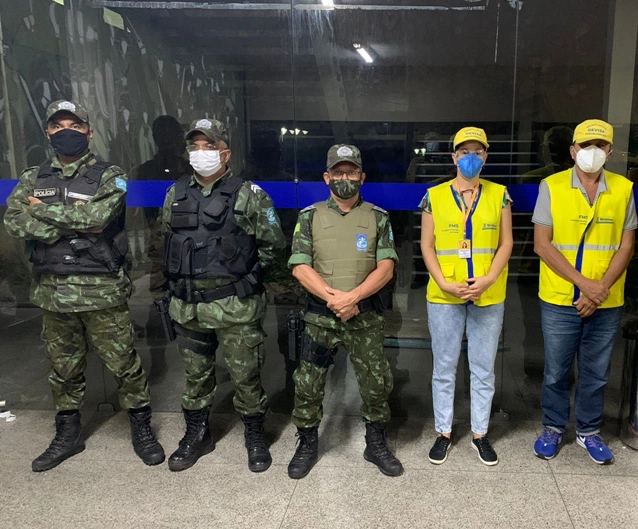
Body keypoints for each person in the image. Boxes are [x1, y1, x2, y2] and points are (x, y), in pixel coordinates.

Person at [3, 99, 164, 471]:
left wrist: (39, 210)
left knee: (124, 364)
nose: (66, 132)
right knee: (63, 368)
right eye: (58, 126)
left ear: (89, 131)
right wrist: (67, 220)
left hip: (101, 290)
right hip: (53, 291)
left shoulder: (111, 175)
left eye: (74, 125)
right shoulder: (33, 177)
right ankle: (68, 434)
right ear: (48, 132)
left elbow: (96, 219)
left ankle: (141, 428)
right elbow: (15, 223)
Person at [160, 118, 286, 473]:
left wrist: (247, 283)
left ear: (225, 153)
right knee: (195, 376)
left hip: (235, 307)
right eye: (195, 147)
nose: (201, 153)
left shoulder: (250, 194)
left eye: (209, 147)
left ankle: (255, 434)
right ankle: (197, 435)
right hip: (188, 307)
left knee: (246, 376)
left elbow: (273, 248)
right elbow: (164, 240)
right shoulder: (175, 193)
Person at [287, 144, 402, 479]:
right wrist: (334, 299)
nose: (344, 178)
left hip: (364, 316)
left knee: (375, 384)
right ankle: (307, 442)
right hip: (320, 317)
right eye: (338, 172)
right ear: (327, 177)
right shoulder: (309, 217)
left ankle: (376, 443)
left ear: (362, 177)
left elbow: (386, 268)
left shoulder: (378, 218)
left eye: (351, 172)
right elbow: (299, 266)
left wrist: (354, 298)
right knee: (308, 384)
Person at [531, 119, 637, 464]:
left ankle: (589, 431)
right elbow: (542, 245)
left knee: (596, 372)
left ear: (610, 151)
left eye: (600, 146)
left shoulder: (622, 188)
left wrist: (599, 289)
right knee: (557, 370)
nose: (593, 152)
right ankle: (553, 426)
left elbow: (626, 246)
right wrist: (584, 285)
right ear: (573, 150)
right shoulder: (552, 185)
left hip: (606, 300)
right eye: (585, 146)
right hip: (561, 298)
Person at [419, 127, 513, 466]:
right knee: (444, 366)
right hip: (445, 295)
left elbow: (507, 243)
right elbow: (426, 245)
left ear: (485, 156)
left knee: (483, 367)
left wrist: (488, 279)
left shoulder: (500, 194)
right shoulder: (435, 196)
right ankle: (443, 432)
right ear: (453, 157)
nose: (470, 157)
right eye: (464, 151)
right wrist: (443, 282)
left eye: (477, 151)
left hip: (487, 294)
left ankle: (480, 434)